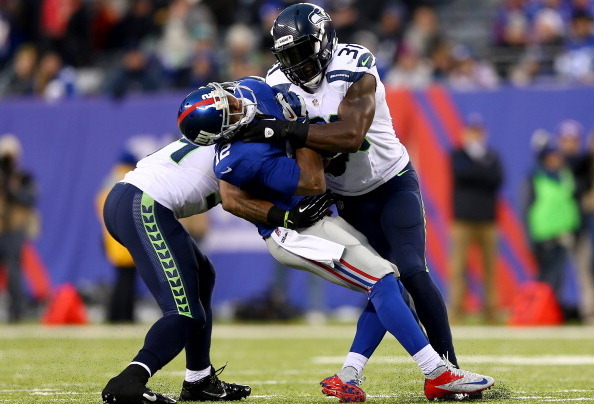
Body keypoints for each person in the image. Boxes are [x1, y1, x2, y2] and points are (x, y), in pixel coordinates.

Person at [178, 78, 495, 401]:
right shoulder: (244, 157)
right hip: (295, 232)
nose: (236, 103)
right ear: (224, 130)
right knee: (383, 279)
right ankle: (436, 372)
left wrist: (288, 125)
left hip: (315, 220)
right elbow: (311, 182)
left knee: (391, 284)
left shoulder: (252, 91)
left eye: (227, 98)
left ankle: (348, 375)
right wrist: (297, 129)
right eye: (229, 110)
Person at [237, 3, 463, 400]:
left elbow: (351, 136)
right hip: (345, 197)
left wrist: (284, 128)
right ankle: (358, 372)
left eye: (302, 52)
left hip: (390, 182)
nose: (297, 64)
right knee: (381, 279)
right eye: (287, 56)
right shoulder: (276, 82)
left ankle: (450, 368)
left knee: (410, 270)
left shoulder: (355, 64)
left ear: (324, 43)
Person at [101, 84, 338, 403]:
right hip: (141, 204)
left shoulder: (227, 134)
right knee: (184, 313)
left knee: (203, 277)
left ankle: (199, 379)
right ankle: (128, 381)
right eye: (232, 107)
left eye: (235, 102)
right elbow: (233, 200)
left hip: (134, 200)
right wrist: (284, 217)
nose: (241, 107)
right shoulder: (237, 142)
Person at [449, 114, 504, 324]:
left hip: (488, 219)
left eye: (478, 131)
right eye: (471, 131)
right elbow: (463, 174)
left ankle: (491, 311)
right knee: (458, 267)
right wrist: (481, 167)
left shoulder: (491, 155)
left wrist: (478, 165)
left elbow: (497, 179)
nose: (475, 136)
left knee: (490, 267)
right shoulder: (458, 154)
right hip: (462, 219)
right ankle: (457, 311)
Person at [523, 142, 580, 317]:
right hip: (543, 235)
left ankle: (552, 314)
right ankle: (539, 314)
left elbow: (569, 205)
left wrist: (572, 229)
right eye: (551, 157)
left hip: (563, 234)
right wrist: (531, 237)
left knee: (558, 278)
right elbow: (526, 208)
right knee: (545, 278)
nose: (555, 160)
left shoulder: (565, 176)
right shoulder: (535, 178)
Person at [0, 134, 38, 323]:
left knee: (14, 270)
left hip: (15, 229)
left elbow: (30, 200)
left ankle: (17, 311)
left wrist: (13, 189)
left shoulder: (23, 177)